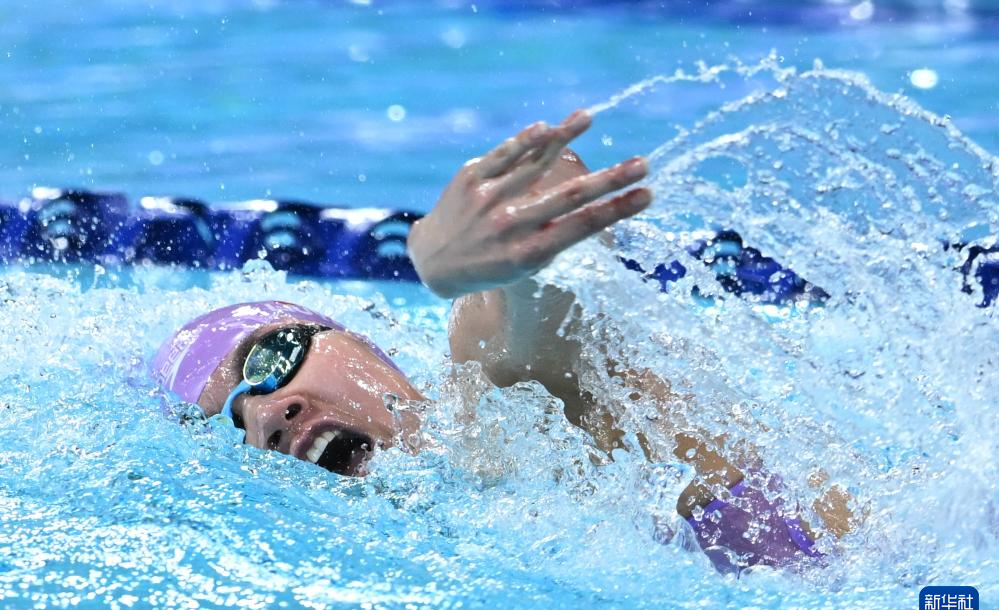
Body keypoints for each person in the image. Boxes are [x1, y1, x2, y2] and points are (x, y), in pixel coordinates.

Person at [153, 109, 855, 572]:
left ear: (360, 344)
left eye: (270, 359)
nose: (267, 414)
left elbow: (546, 274)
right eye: (232, 422)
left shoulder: (497, 402)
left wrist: (471, 258)